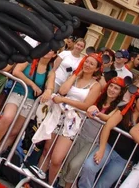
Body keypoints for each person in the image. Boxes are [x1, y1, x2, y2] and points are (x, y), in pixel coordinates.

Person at [0, 51, 56, 172]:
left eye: (51, 51)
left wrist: (48, 91)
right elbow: (16, 71)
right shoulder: (30, 59)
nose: (47, 52)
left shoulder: (50, 71)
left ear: (54, 55)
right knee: (7, 117)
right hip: (17, 93)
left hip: (30, 101)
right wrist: (32, 84)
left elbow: (50, 86)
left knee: (14, 132)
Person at [39, 53, 103, 184]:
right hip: (58, 114)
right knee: (47, 149)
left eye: (92, 64)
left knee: (57, 158)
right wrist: (75, 74)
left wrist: (64, 100)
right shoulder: (74, 77)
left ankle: (50, 184)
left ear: (96, 69)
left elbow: (86, 105)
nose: (87, 65)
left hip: (73, 121)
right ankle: (36, 180)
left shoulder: (95, 85)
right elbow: (62, 90)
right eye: (86, 61)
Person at [78, 87, 139, 188]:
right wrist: (101, 149)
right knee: (89, 167)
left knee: (104, 184)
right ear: (135, 100)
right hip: (109, 147)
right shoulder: (125, 111)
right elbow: (107, 126)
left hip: (123, 158)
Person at [60, 77, 126, 188]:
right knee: (67, 163)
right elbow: (87, 105)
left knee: (74, 165)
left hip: (94, 141)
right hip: (80, 134)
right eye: (111, 86)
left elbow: (108, 118)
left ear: (120, 92)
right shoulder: (99, 97)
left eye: (116, 88)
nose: (112, 90)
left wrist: (96, 112)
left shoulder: (119, 107)